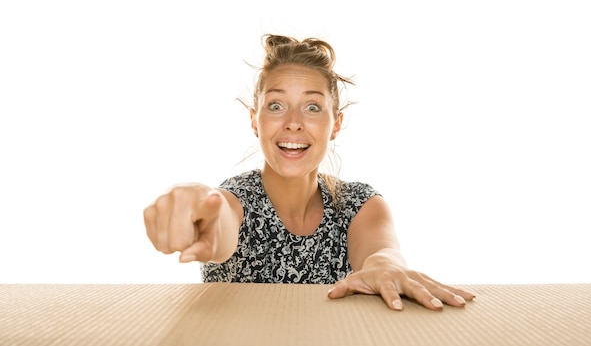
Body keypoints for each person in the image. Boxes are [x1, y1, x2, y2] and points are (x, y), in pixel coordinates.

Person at [143, 34, 475, 311]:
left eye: (313, 107)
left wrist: (385, 265)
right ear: (254, 120)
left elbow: (380, 251)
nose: (293, 121)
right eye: (275, 105)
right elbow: (220, 219)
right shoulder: (234, 200)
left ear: (336, 124)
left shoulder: (360, 204)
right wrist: (199, 211)